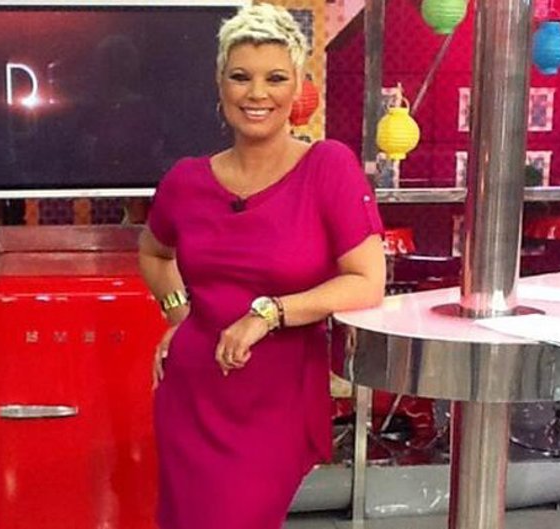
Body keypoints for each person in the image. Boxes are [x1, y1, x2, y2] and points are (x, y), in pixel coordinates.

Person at [137, 4, 386, 529]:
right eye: (240, 77)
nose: (257, 94)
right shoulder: (185, 180)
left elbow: (367, 282)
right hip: (192, 394)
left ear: (298, 87)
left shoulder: (328, 167)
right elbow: (153, 253)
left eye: (275, 78)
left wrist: (268, 313)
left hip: (275, 399)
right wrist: (180, 314)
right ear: (220, 84)